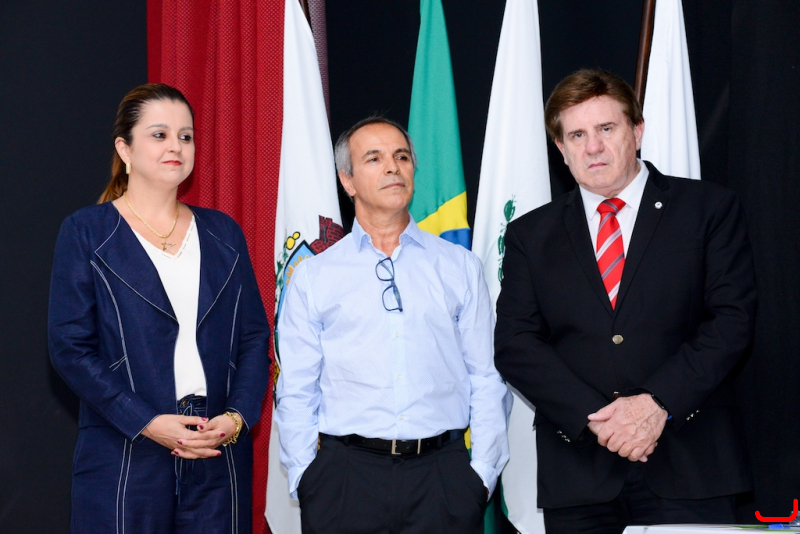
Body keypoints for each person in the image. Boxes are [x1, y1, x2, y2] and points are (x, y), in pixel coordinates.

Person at [494, 69, 756, 533]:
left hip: (691, 462)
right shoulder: (530, 235)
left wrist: (656, 403)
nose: (592, 147)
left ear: (636, 131)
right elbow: (515, 344)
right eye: (577, 135)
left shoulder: (707, 209)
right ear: (560, 149)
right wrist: (600, 421)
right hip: (579, 473)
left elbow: (731, 322)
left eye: (606, 128)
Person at [48, 83, 270, 533]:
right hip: (124, 451)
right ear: (124, 149)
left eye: (186, 136)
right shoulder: (87, 231)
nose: (176, 146)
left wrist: (235, 419)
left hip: (216, 448)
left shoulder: (223, 232)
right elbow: (70, 348)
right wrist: (147, 422)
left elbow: (253, 337)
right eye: (159, 135)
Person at [275, 117, 510, 533]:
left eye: (401, 156)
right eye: (374, 158)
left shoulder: (458, 266)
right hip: (343, 481)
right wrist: (305, 477)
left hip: (444, 479)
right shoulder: (314, 276)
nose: (392, 167)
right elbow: (296, 389)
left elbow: (486, 376)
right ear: (347, 180)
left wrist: (482, 475)